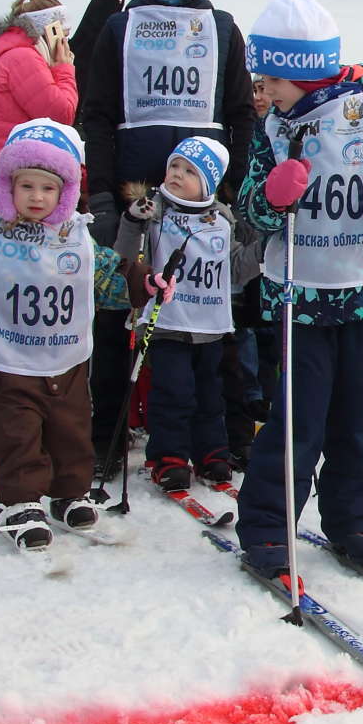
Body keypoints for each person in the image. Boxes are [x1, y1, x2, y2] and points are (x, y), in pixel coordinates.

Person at [234, 0, 363, 586]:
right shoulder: (272, 125)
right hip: (301, 290)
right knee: (298, 418)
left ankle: (353, 522)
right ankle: (268, 527)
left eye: (272, 77)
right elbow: (249, 207)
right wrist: (272, 196)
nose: (264, 90)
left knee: (358, 418)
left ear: (302, 69)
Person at [79, 0, 254, 473]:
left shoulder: (222, 27)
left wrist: (239, 186)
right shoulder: (120, 25)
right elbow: (99, 113)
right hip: (136, 195)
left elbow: (241, 111)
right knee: (119, 314)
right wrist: (104, 193)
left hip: (206, 196)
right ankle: (108, 435)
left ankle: (225, 437)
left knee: (217, 316)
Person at [0, 121, 128, 554]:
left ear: (65, 192)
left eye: (48, 188)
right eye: (27, 186)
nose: (37, 197)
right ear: (8, 188)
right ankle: (20, 501)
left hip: (64, 357)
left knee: (70, 426)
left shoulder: (78, 236)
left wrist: (145, 282)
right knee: (17, 431)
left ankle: (69, 491)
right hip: (8, 357)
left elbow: (108, 276)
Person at [118, 136, 240, 495]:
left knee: (209, 392)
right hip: (167, 321)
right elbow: (123, 259)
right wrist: (130, 221)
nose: (176, 174)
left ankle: (212, 451)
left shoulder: (221, 220)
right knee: (174, 391)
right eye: (174, 166)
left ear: (207, 183)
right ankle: (168, 456)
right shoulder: (152, 211)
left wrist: (265, 249)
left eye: (189, 171)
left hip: (209, 325)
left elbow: (236, 267)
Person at [0, 0, 78, 231]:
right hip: (10, 197)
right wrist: (64, 70)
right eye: (64, 36)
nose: (67, 45)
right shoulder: (23, 59)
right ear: (51, 32)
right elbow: (61, 114)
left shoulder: (8, 56)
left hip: (6, 189)